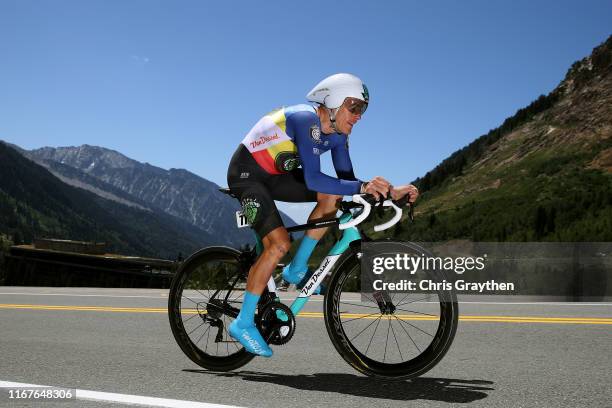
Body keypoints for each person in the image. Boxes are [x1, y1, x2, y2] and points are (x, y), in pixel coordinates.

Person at [226, 73, 419, 357]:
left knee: (334, 196)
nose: (359, 116)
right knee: (278, 244)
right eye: (354, 107)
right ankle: (242, 323)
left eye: (363, 109)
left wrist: (390, 191)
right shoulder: (304, 120)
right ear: (332, 102)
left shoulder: (339, 137)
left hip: (278, 177)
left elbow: (346, 181)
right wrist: (365, 185)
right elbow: (315, 179)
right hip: (248, 176)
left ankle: (296, 269)